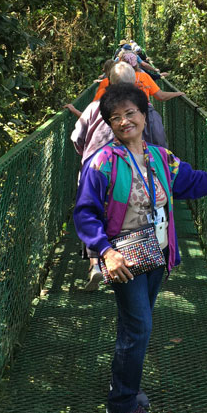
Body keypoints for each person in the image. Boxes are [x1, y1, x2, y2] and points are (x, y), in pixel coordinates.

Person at [73, 83, 207, 413]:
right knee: (139, 326)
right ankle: (121, 406)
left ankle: (123, 386)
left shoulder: (162, 158)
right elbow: (84, 213)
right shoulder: (102, 163)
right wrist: (106, 252)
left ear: (145, 115)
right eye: (116, 118)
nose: (124, 121)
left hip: (157, 252)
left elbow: (194, 183)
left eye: (130, 113)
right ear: (110, 126)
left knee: (134, 326)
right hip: (124, 259)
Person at [65, 63, 136, 290]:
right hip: (122, 168)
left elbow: (77, 136)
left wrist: (84, 152)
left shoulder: (95, 107)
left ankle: (95, 265)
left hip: (93, 168)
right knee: (119, 211)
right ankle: (124, 260)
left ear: (108, 81)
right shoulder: (137, 110)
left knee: (91, 212)